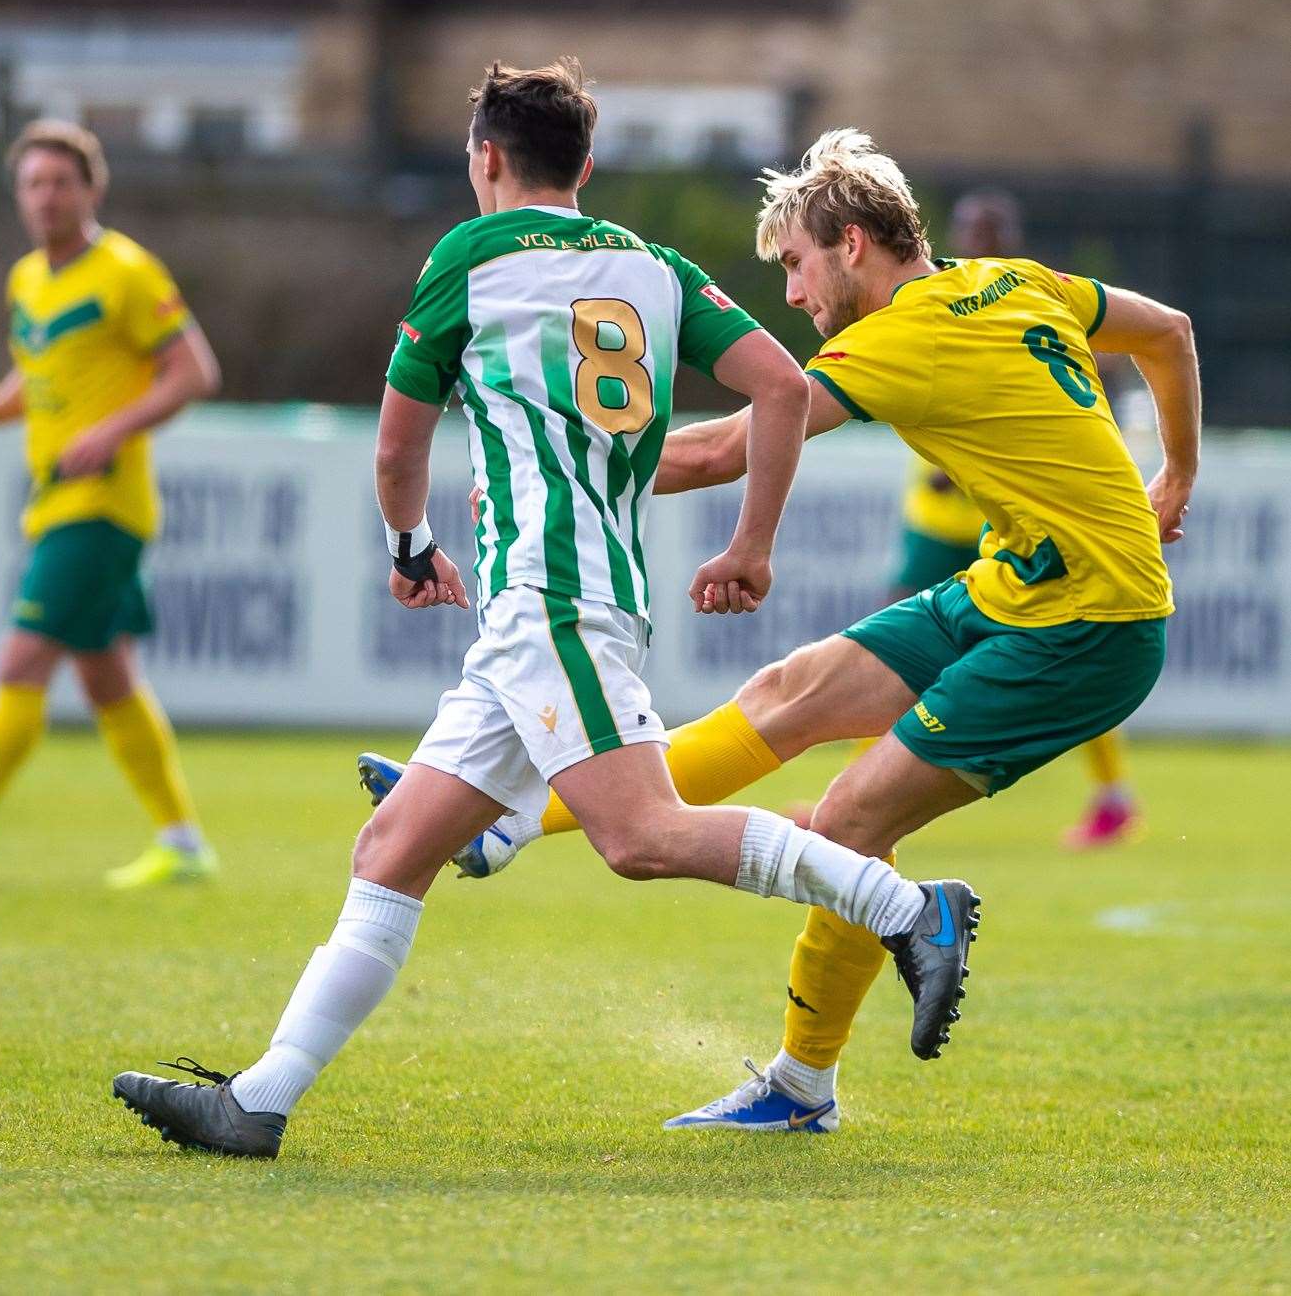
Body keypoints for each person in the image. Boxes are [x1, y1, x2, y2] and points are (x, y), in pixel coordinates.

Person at [111, 65, 980, 1159]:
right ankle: (260, 1100)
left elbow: (395, 442)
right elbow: (782, 389)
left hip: (547, 600)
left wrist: (408, 544)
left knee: (640, 835)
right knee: (390, 847)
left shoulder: (468, 258)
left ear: (484, 157)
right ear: (582, 164)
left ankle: (906, 912)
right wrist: (749, 542)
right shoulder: (655, 267)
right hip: (571, 601)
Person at [364, 129, 1197, 1133]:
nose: (794, 296)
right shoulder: (1013, 281)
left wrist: (559, 462)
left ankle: (802, 1085)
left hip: (1089, 624)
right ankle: (511, 821)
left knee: (852, 819)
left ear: (850, 244)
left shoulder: (901, 334)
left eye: (796, 267)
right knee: (785, 695)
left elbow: (729, 441)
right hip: (1017, 585)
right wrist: (1176, 472)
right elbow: (1170, 332)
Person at [0, 120, 223, 891]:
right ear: (18, 196)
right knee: (107, 679)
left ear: (92, 189)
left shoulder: (125, 271)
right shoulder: (27, 280)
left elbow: (193, 372)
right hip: (59, 501)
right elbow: (42, 372)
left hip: (102, 505)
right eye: (33, 184)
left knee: (21, 658)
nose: (47, 197)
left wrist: (110, 432)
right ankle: (183, 843)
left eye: (61, 182)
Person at [950, 190, 1143, 849]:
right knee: (893, 636)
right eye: (970, 231)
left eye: (991, 231)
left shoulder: (1034, 297)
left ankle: (1113, 794)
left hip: (1025, 517)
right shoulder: (930, 297)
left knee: (1072, 645)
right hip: (941, 513)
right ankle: (863, 782)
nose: (979, 242)